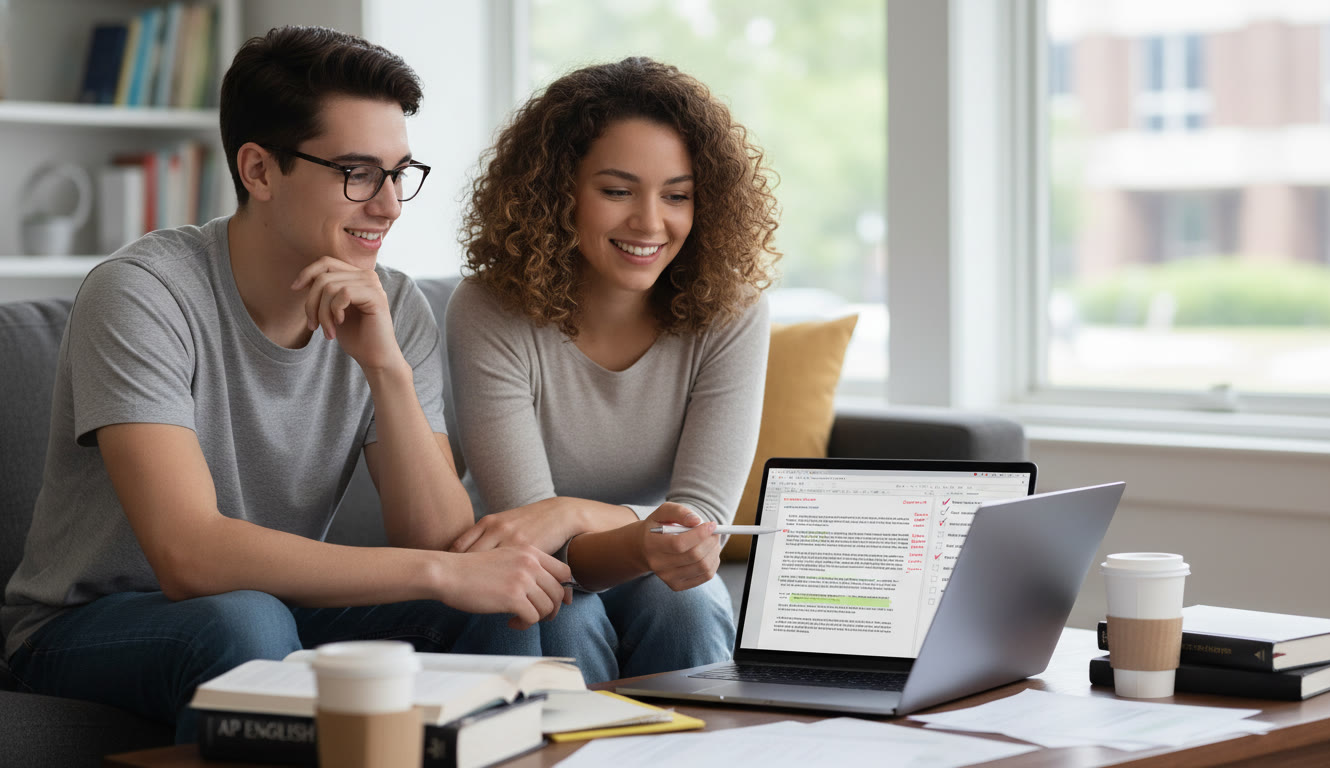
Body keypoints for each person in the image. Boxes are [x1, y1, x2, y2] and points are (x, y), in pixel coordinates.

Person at [0, 26, 571, 743]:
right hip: (87, 626)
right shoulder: (142, 294)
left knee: (489, 607)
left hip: (278, 604)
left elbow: (442, 542)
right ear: (260, 171)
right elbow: (188, 555)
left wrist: (386, 370)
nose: (390, 206)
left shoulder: (394, 306)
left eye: (400, 173)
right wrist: (437, 574)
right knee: (244, 618)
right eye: (357, 173)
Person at [447, 57, 780, 682]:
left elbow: (699, 522)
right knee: (561, 618)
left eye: (677, 195)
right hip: (526, 568)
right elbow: (534, 534)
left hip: (657, 573)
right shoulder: (489, 307)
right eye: (617, 191)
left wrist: (571, 512)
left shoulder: (733, 311)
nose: (650, 222)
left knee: (685, 607)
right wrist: (583, 524)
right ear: (557, 194)